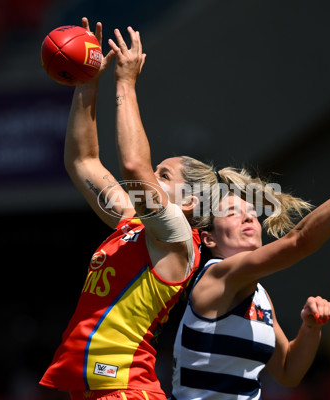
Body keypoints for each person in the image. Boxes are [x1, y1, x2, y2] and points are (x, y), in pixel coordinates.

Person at [38, 20, 234, 400]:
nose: (151, 176)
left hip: (127, 390)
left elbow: (132, 167)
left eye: (164, 174)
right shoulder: (134, 224)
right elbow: (83, 161)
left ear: (190, 201)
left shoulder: (177, 236)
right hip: (93, 389)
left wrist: (125, 84)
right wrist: (87, 80)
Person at [171, 166, 330, 400]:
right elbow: (299, 241)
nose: (248, 217)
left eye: (253, 215)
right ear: (209, 238)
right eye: (233, 212)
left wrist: (310, 329)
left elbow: (288, 371)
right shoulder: (216, 275)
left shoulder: (260, 296)